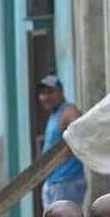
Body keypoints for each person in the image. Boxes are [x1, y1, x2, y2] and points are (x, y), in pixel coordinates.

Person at [37, 75, 86, 207]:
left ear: (61, 92)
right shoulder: (54, 114)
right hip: (53, 182)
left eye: (50, 92)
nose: (46, 97)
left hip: (67, 181)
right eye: (42, 94)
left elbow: (81, 129)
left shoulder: (68, 111)